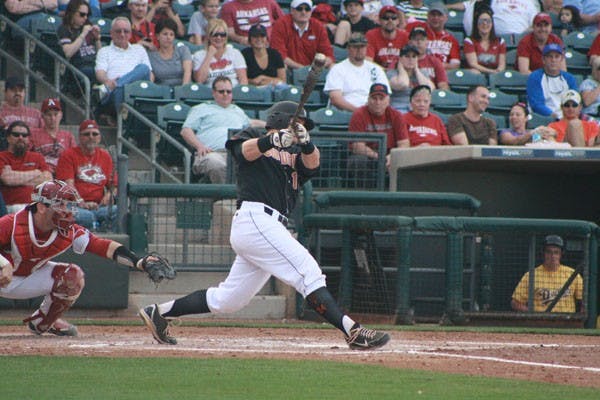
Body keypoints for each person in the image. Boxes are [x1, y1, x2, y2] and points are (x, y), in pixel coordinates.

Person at [138, 100, 391, 350]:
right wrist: (272, 140)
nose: (302, 128)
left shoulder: (296, 154)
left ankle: (159, 313)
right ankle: (353, 331)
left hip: (269, 227)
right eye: (299, 123)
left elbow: (313, 164)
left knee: (229, 300)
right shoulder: (253, 135)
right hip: (256, 219)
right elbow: (243, 152)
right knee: (308, 273)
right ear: (282, 120)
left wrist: (307, 142)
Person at [0, 179, 168, 337]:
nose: (66, 210)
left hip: (27, 277)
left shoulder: (69, 231)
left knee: (72, 276)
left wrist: (138, 261)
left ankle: (42, 322)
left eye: (69, 205)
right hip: (2, 276)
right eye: (60, 204)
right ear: (42, 207)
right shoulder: (12, 223)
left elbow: (103, 246)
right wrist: (3, 263)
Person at [180, 76, 265, 183]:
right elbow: (185, 131)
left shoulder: (237, 110)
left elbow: (251, 123)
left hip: (235, 154)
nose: (225, 94)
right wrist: (199, 146)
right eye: (221, 91)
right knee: (217, 164)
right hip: (210, 153)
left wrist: (270, 125)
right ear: (213, 93)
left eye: (228, 91)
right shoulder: (201, 108)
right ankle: (224, 199)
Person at [55, 120, 117, 231]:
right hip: (73, 205)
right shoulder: (68, 155)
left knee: (119, 211)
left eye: (95, 134)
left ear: (99, 137)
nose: (91, 137)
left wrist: (108, 196)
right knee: (88, 217)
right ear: (79, 137)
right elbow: (69, 186)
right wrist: (82, 203)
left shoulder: (105, 156)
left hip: (99, 207)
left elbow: (114, 186)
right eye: (86, 134)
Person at [347, 83, 407, 184]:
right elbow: (357, 146)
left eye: (381, 98)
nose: (378, 102)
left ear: (388, 100)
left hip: (390, 154)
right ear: (368, 99)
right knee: (358, 161)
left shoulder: (396, 115)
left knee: (405, 160)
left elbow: (404, 143)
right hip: (369, 155)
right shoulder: (359, 114)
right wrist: (379, 157)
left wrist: (392, 156)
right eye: (374, 98)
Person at [94, 17, 153, 119]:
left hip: (137, 91)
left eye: (126, 31)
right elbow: (100, 73)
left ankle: (112, 87)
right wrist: (108, 81)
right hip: (115, 93)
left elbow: (150, 75)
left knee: (143, 68)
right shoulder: (104, 51)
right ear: (111, 33)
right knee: (121, 90)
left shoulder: (139, 49)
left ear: (130, 34)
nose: (122, 34)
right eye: (118, 31)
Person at [511, 235, 583, 313]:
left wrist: (579, 319)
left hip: (566, 321)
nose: (553, 256)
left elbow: (585, 302)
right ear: (543, 253)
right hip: (541, 321)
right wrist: (532, 316)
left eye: (556, 252)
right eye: (549, 252)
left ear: (561, 254)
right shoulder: (531, 275)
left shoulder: (572, 274)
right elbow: (515, 303)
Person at [324, 33, 390, 113]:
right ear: (348, 48)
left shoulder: (376, 69)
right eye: (355, 47)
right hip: (345, 113)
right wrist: (359, 112)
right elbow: (336, 99)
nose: (359, 50)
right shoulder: (337, 69)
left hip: (373, 112)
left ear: (366, 48)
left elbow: (386, 96)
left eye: (362, 47)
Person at [0, 121, 52, 214]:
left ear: (28, 139)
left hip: (38, 202)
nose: (21, 138)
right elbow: (7, 179)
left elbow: (48, 180)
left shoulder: (37, 157)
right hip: (13, 205)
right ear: (8, 138)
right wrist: (36, 173)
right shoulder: (2, 156)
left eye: (24, 135)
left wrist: (15, 176)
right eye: (16, 135)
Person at [270, 0, 335, 70]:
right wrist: (303, 69)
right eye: (299, 9)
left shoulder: (318, 26)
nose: (303, 12)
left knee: (333, 66)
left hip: (313, 70)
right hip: (290, 68)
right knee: (281, 65)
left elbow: (328, 54)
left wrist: (318, 66)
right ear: (292, 10)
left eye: (307, 9)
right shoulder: (281, 25)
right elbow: (280, 56)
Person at [526, 44, 578, 119]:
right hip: (544, 118)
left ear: (561, 59)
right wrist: (553, 115)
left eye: (557, 57)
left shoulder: (569, 78)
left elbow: (575, 100)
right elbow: (536, 104)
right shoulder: (535, 77)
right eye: (550, 56)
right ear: (543, 60)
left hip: (567, 117)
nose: (553, 60)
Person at [192, 19, 248, 87]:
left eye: (222, 34)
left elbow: (243, 80)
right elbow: (199, 80)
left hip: (233, 93)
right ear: (209, 36)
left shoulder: (235, 53)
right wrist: (209, 55)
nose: (219, 37)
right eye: (215, 34)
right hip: (210, 94)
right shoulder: (198, 55)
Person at [58, 0, 102, 84]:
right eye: (82, 14)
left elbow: (100, 54)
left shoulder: (88, 26)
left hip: (94, 64)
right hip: (78, 66)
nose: (85, 17)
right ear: (72, 13)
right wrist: (83, 34)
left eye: (87, 15)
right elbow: (67, 53)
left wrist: (97, 39)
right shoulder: (64, 29)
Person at [406, 2, 460, 70]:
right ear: (427, 16)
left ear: (446, 18)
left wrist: (436, 66)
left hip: (443, 72)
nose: (435, 18)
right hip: (419, 69)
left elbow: (455, 65)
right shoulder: (417, 28)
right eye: (433, 15)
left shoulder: (451, 39)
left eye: (439, 15)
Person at [29, 98, 77, 174]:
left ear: (61, 115)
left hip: (62, 174)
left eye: (55, 114)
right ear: (42, 116)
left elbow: (74, 159)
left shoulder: (68, 136)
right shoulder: (33, 134)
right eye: (49, 115)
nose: (52, 118)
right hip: (41, 173)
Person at [447, 0, 540, 37]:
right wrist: (447, 6)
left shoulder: (530, 2)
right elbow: (469, 4)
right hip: (495, 38)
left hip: (520, 40)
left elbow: (536, 24)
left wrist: (521, 37)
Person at [388, 44, 435, 112]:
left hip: (418, 107)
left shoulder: (422, 73)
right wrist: (401, 68)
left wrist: (416, 70)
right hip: (399, 107)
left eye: (414, 57)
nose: (411, 59)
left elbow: (429, 88)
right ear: (400, 58)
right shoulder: (391, 73)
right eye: (407, 56)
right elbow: (403, 84)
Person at [149, 18, 192, 87]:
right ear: (157, 36)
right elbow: (151, 80)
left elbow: (187, 72)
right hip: (162, 92)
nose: (168, 37)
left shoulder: (183, 50)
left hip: (183, 90)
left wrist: (182, 91)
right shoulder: (151, 56)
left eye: (171, 34)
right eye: (165, 34)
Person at [220, 0, 285, 46]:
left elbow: (284, 23)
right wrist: (240, 39)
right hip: (246, 46)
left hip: (271, 43)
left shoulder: (269, 2)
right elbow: (230, 32)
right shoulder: (228, 7)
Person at [463, 9, 506, 74]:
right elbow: (473, 64)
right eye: (481, 21)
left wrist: (498, 71)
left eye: (488, 21)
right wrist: (491, 72)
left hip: (495, 73)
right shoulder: (469, 41)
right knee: (474, 72)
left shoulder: (500, 41)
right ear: (476, 24)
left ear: (492, 24)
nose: (485, 23)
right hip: (478, 73)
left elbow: (502, 65)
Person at [365, 6, 409, 71]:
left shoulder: (405, 36)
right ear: (379, 21)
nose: (390, 20)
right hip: (377, 72)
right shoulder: (371, 35)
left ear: (398, 21)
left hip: (399, 72)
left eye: (393, 18)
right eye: (386, 18)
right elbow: (368, 62)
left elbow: (409, 62)